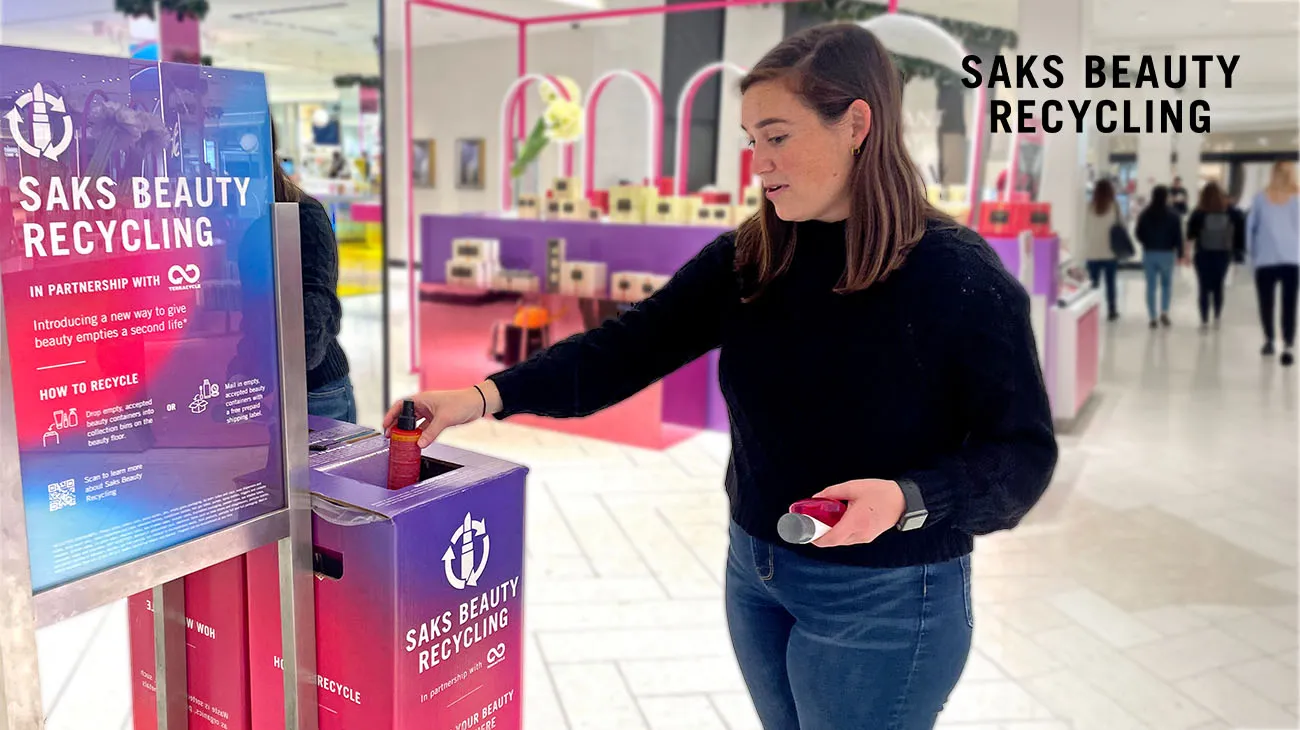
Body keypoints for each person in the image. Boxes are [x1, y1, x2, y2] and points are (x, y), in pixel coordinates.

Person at [386, 24, 1056, 729]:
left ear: (857, 122)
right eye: (750, 141)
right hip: (758, 573)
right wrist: (481, 396)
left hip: (886, 598)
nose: (759, 164)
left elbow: (1020, 457)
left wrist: (905, 499)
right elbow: (624, 349)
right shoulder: (750, 258)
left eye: (777, 136)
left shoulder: (955, 274)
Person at [272, 124, 356, 421]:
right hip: (272, 386)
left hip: (314, 390)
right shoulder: (247, 212)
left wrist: (285, 375)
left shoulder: (303, 212)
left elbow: (317, 307)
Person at [1248, 160, 1300, 365]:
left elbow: (1250, 229)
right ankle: (1287, 343)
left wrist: (1251, 255)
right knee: (1290, 304)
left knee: (1266, 302)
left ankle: (1269, 340)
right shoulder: (1297, 199)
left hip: (1265, 259)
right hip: (1292, 259)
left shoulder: (1260, 199)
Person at [1185, 182, 1236, 331]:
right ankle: (1217, 315)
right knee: (1219, 285)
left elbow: (1190, 235)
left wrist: (1187, 253)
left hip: (1203, 254)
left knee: (1203, 287)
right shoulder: (1228, 212)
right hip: (1223, 254)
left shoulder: (1198, 213)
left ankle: (1204, 319)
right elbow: (1238, 227)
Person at [1135, 185, 1185, 328]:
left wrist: (1146, 242)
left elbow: (1138, 233)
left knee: (1150, 286)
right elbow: (1178, 236)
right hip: (1167, 254)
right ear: (1166, 197)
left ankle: (1152, 317)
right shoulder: (1174, 215)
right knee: (1166, 284)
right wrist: (1180, 253)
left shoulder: (1145, 214)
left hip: (1149, 253)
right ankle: (1164, 312)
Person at [1079, 178, 1123, 321]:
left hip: (1092, 252)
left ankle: (1092, 311)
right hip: (1110, 252)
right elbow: (1121, 226)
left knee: (1093, 284)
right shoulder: (1114, 206)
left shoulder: (1088, 207)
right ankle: (1112, 311)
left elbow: (1084, 228)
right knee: (1111, 283)